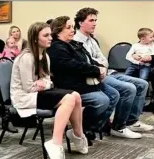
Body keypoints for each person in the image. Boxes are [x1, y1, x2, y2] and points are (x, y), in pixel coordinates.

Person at [11, 22, 88, 159]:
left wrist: (44, 83)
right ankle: (55, 143)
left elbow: (48, 81)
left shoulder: (45, 56)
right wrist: (44, 83)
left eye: (50, 35)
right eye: (45, 35)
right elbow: (29, 88)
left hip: (39, 92)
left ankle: (77, 134)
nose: (50, 38)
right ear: (35, 39)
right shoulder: (26, 58)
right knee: (69, 98)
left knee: (76, 95)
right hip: (24, 97)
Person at [73, 8, 152, 138]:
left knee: (142, 84)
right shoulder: (76, 41)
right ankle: (118, 127)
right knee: (129, 88)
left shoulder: (92, 40)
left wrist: (101, 66)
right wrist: (100, 67)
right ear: (81, 23)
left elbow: (103, 60)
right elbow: (88, 64)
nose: (94, 23)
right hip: (97, 76)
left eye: (95, 20)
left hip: (107, 72)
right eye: (91, 20)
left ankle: (131, 121)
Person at [47, 16, 112, 144]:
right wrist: (96, 71)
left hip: (84, 81)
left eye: (72, 27)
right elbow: (73, 66)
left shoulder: (72, 43)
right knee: (102, 100)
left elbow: (86, 60)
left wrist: (99, 68)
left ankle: (89, 128)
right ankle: (81, 129)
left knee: (113, 95)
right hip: (71, 87)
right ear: (59, 30)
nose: (73, 30)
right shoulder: (56, 48)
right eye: (69, 27)